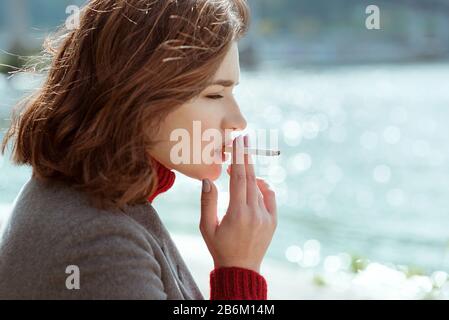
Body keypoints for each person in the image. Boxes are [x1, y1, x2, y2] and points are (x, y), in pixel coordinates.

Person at [0, 0, 277, 299]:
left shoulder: (83, 199)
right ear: (137, 95)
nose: (238, 121)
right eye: (213, 94)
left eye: (231, 92)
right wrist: (239, 272)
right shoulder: (101, 245)